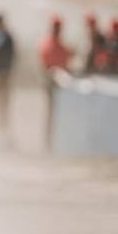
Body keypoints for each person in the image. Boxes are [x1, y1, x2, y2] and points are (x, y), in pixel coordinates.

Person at [38, 16, 74, 150]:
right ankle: (50, 142)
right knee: (53, 113)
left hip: (58, 84)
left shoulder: (53, 44)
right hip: (52, 83)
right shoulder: (49, 44)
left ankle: (54, 141)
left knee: (56, 114)